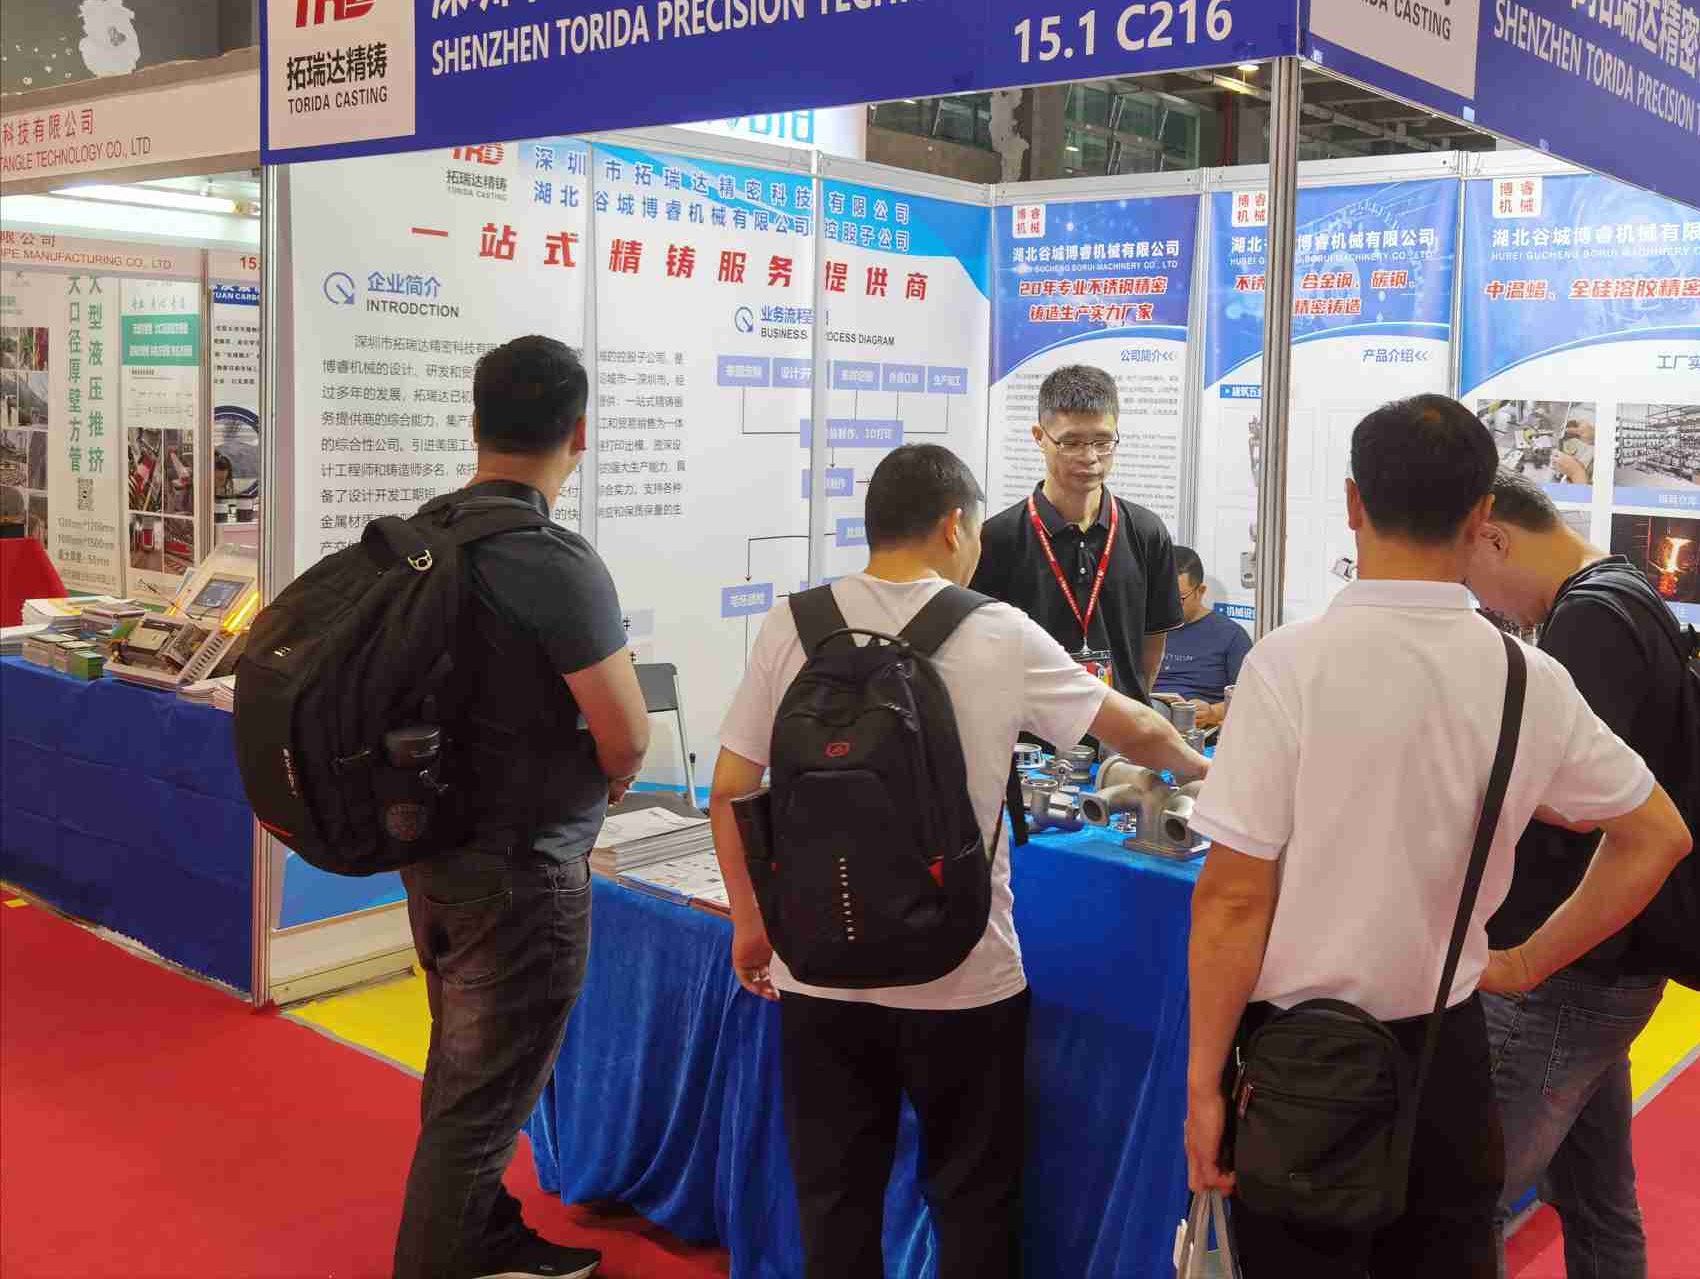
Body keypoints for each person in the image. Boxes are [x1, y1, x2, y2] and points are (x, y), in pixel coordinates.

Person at [1183, 395, 1691, 1279]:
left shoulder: (1288, 666)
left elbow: (1233, 898)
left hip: (1297, 1066)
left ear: (1353, 502)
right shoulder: (1526, 676)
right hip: (1447, 1062)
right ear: (1481, 515)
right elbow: (1657, 835)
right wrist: (1525, 963)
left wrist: (1201, 1086)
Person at [709, 443, 1212, 1279]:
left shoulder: (791, 623)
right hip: (964, 971)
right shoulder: (996, 630)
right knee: (973, 1199)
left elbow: (731, 789)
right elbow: (1136, 730)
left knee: (834, 1197)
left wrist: (751, 924)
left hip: (817, 966)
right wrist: (1206, 774)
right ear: (953, 526)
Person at [393, 335, 650, 1279]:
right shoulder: (553, 561)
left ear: (475, 423)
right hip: (525, 872)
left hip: (434, 849)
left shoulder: (423, 536)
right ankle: (439, 1260)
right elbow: (627, 736)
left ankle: (485, 1231)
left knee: (464, 1070)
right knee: (486, 1095)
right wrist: (610, 771)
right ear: (578, 434)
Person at [1467, 472, 1689, 1279]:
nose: (1483, 603)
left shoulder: (1588, 621)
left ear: (1496, 538)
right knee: (1598, 1199)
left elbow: (1586, 805)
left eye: (1472, 576)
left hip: (1566, 964)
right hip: (1606, 954)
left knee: (1468, 1202)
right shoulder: (1622, 590)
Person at [970, 364, 1181, 704]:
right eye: (1071, 443)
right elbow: (984, 651)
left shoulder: (1146, 532)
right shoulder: (996, 539)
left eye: (1102, 442)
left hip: (1122, 728)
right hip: (1030, 729)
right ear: (1039, 437)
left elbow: (1151, 648)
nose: (1090, 458)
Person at [1153, 546, 1252, 729]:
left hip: (1196, 728)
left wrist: (1213, 713)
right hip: (1144, 715)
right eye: (1161, 597)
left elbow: (1249, 699)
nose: (1167, 606)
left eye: (1178, 599)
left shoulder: (1231, 636)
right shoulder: (1145, 628)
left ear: (1201, 591)